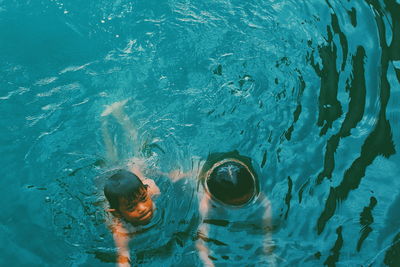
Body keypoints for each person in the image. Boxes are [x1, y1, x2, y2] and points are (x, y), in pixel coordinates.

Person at [100, 100, 165, 267]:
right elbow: (123, 257)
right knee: (111, 154)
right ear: (117, 213)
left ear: (146, 191)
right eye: (131, 207)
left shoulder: (152, 190)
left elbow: (154, 180)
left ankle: (120, 112)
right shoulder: (121, 229)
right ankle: (104, 123)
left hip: (135, 181)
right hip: (115, 187)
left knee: (138, 146)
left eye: (143, 199)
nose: (142, 208)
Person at [194, 151, 276, 266]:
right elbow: (201, 237)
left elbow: (266, 206)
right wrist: (207, 262)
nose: (239, 208)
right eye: (236, 204)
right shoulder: (205, 201)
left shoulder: (250, 184)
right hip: (199, 167)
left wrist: (268, 246)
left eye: (245, 201)